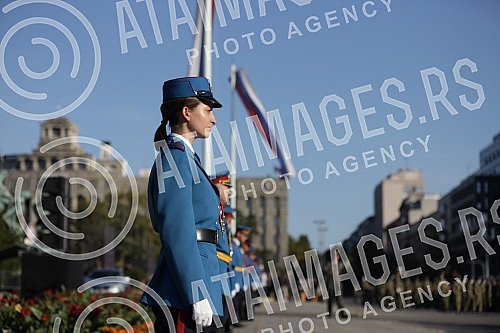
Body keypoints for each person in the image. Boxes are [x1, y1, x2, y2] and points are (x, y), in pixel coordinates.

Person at [141, 77, 224, 333]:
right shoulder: (176, 159)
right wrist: (195, 292)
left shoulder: (185, 158)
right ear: (187, 112)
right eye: (207, 110)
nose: (213, 119)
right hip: (184, 294)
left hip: (199, 283)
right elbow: (177, 231)